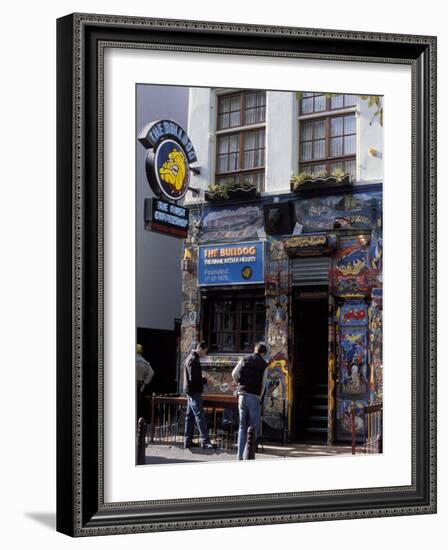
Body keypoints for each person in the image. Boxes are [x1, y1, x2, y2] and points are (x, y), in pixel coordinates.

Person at [232, 342, 269, 460]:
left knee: (242, 426)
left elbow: (234, 373)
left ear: (254, 349)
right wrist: (260, 397)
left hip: (242, 395)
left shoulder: (244, 359)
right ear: (263, 353)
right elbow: (263, 384)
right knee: (254, 427)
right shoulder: (264, 364)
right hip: (254, 396)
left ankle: (239, 456)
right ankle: (249, 454)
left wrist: (239, 383)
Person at [183, 341, 214, 450]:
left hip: (190, 391)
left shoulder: (190, 358)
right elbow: (194, 379)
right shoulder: (194, 360)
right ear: (200, 348)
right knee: (199, 416)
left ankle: (187, 441)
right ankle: (205, 441)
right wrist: (205, 380)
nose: (205, 354)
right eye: (205, 351)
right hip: (194, 391)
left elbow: (193, 376)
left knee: (190, 416)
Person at [136, 343, 155, 420]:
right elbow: (152, 373)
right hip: (140, 385)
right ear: (142, 351)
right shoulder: (145, 362)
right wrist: (144, 384)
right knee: (139, 403)